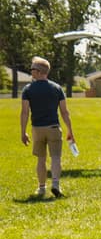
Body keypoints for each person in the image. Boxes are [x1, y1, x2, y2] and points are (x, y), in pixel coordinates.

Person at [20, 56, 75, 198]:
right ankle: (56, 185)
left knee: (41, 158)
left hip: (37, 129)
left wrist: (23, 132)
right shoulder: (57, 88)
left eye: (32, 68)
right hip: (53, 128)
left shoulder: (28, 89)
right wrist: (70, 130)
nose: (31, 71)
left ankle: (41, 188)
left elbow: (25, 112)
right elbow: (64, 112)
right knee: (56, 157)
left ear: (38, 71)